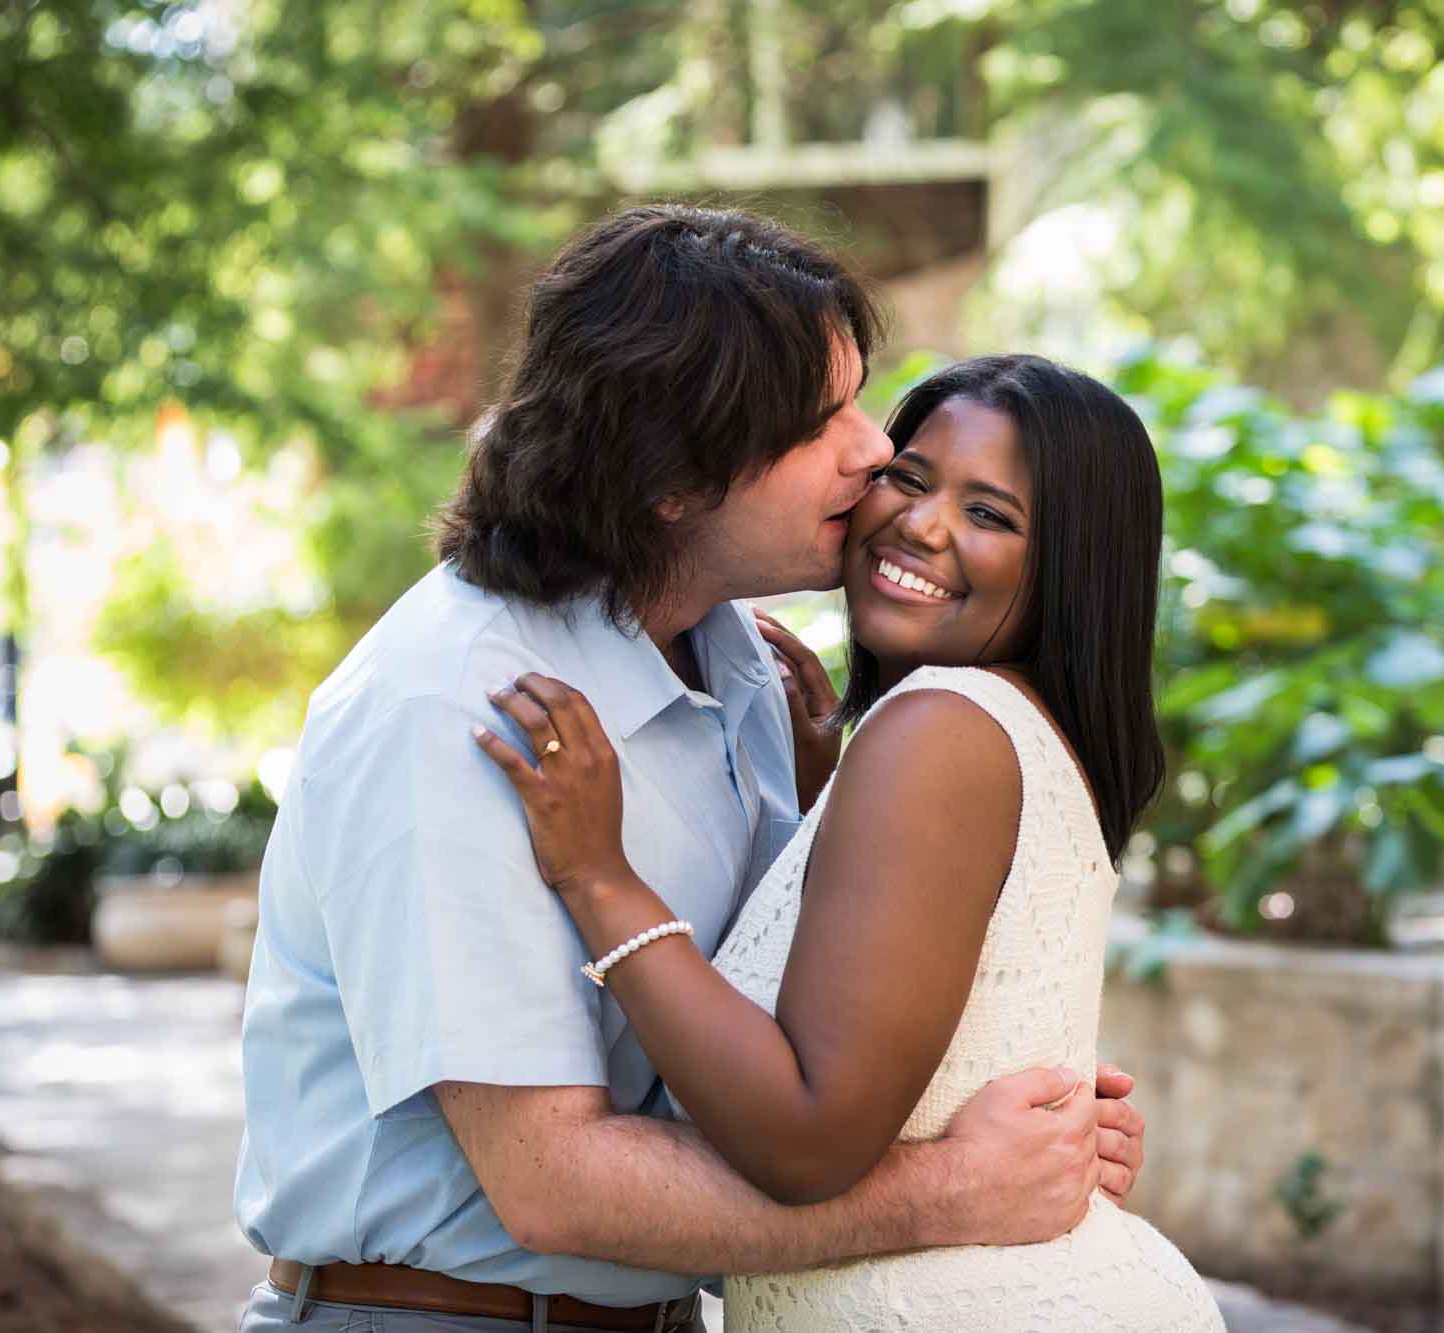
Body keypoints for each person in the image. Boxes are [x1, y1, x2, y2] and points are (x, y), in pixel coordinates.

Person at [234, 207, 1147, 1333]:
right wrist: (960, 1189)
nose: (872, 453)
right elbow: (553, 1182)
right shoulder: (464, 709)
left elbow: (788, 1032)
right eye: (821, 423)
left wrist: (1017, 1083)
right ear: (671, 478)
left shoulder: (748, 673)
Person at [474, 355, 1224, 1330]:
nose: (920, 522)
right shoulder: (984, 728)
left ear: (1070, 567)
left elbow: (807, 1142)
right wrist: (822, 786)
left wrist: (599, 875)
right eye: (908, 478)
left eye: (990, 514)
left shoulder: (940, 730)